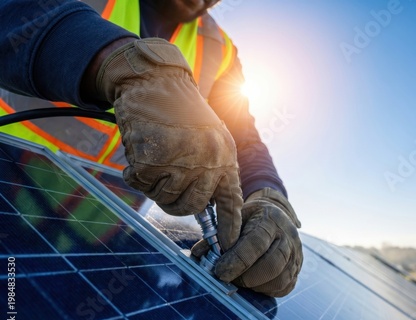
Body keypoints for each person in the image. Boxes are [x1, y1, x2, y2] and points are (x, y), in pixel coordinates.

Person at [0, 0, 303, 297]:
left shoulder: (221, 51)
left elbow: (243, 141)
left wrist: (268, 196)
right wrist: (117, 60)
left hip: (92, 256)